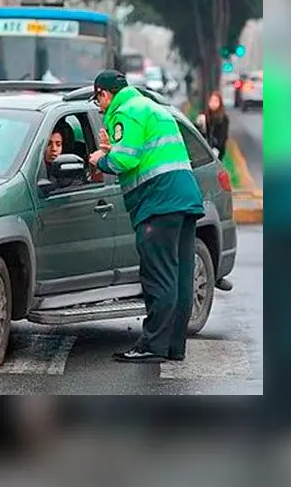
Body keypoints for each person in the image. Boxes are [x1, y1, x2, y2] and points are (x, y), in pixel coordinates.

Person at [87, 70, 206, 363]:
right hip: (184, 198)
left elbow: (126, 159)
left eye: (98, 100)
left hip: (158, 202)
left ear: (104, 93)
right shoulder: (152, 108)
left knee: (158, 276)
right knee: (179, 276)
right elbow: (145, 151)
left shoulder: (124, 111)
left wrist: (100, 158)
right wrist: (113, 149)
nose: (100, 107)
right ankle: (173, 346)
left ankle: (152, 345)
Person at [198, 91, 229, 159]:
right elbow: (204, 132)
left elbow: (223, 136)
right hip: (208, 148)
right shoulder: (207, 115)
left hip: (217, 150)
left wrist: (217, 148)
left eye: (216, 101)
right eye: (211, 101)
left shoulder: (223, 118)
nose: (213, 104)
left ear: (220, 103)